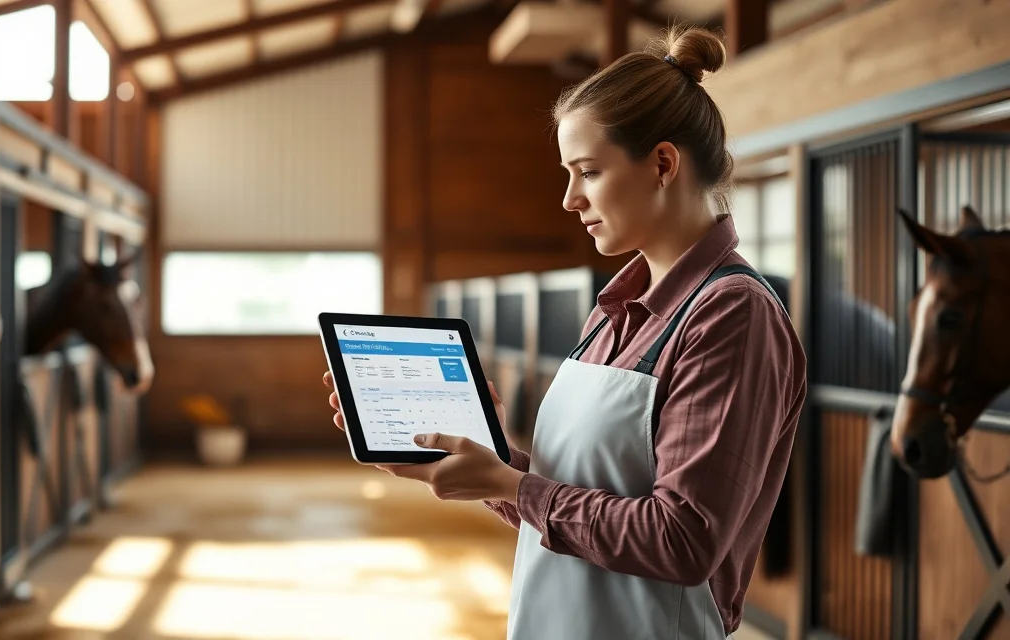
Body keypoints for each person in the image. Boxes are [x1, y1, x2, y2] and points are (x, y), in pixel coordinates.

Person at [323, 25, 807, 640]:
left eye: (588, 171)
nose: (570, 199)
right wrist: (493, 465)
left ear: (663, 164)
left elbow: (683, 540)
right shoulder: (609, 312)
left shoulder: (732, 314)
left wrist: (514, 485)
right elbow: (573, 499)